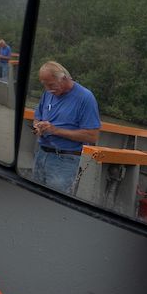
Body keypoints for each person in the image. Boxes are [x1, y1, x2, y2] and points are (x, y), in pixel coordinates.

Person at [29, 60, 100, 195]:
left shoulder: (85, 98)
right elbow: (37, 117)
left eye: (51, 85)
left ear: (64, 78)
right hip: (41, 155)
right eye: (45, 85)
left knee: (55, 204)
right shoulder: (48, 94)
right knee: (34, 199)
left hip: (65, 161)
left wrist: (55, 130)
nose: (48, 90)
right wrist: (37, 128)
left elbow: (92, 136)